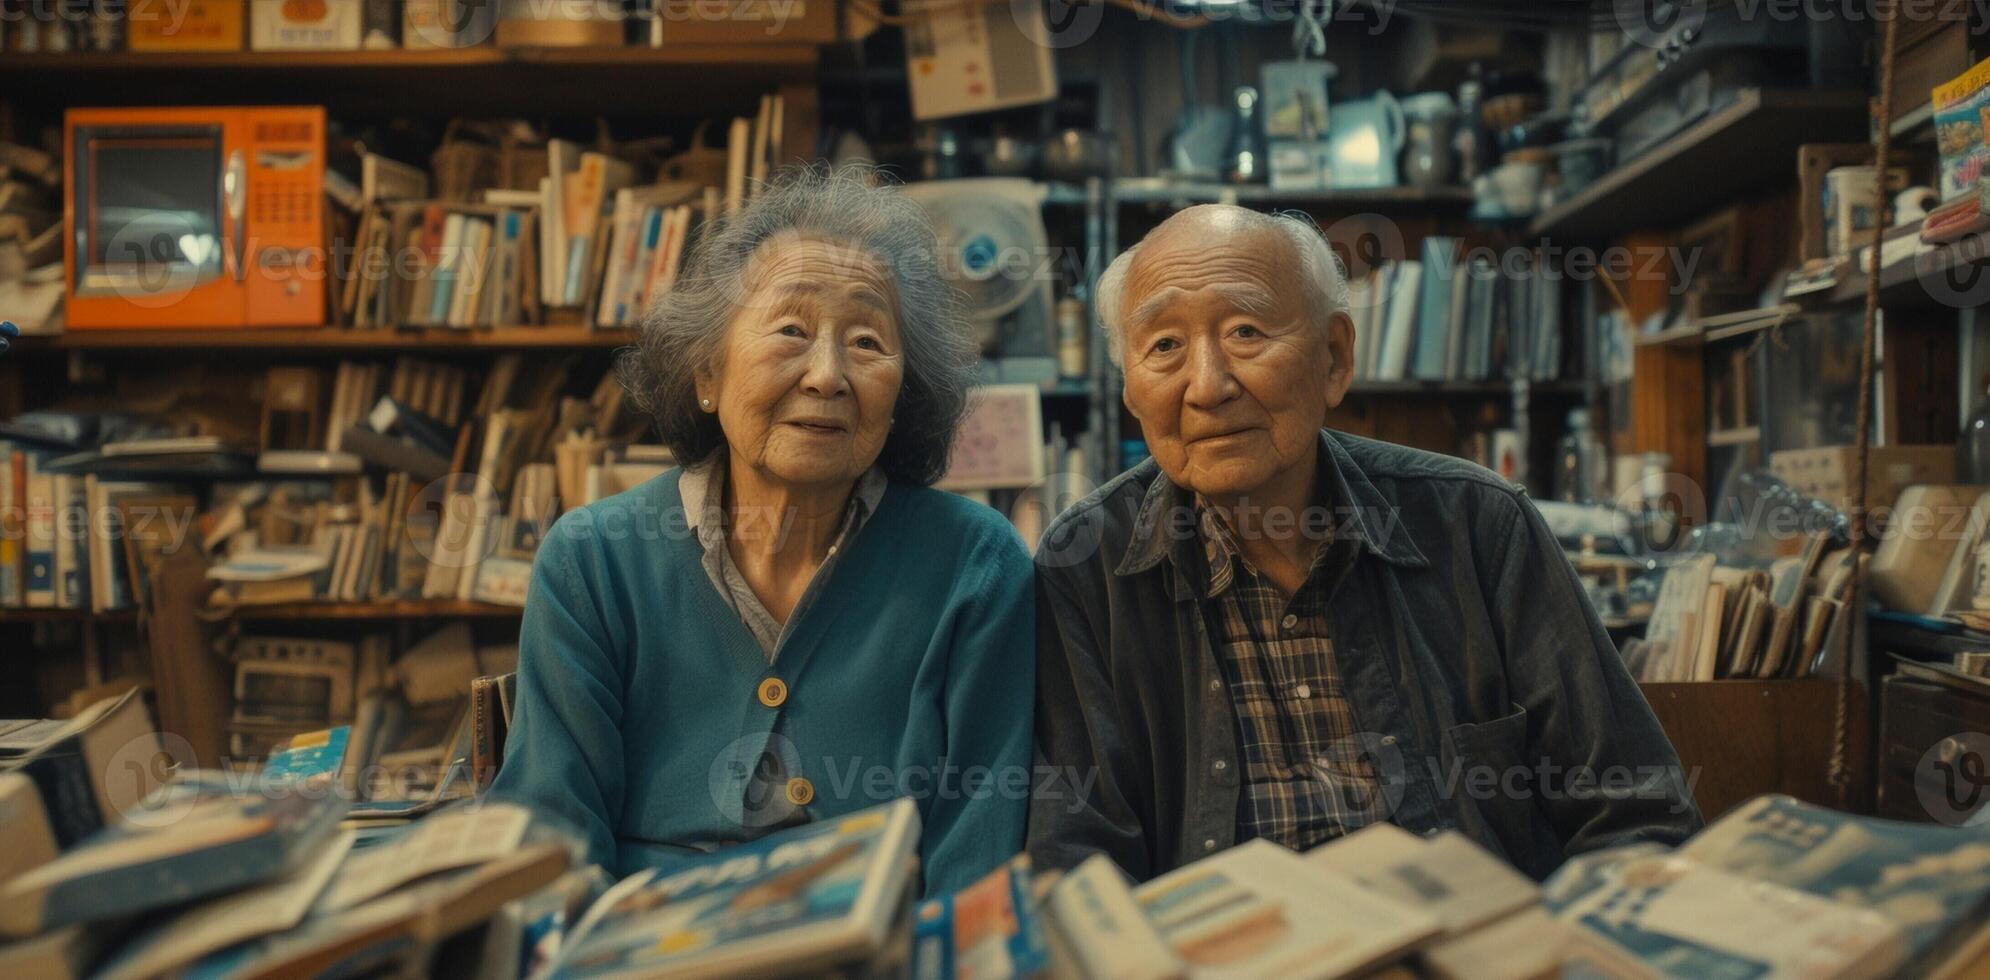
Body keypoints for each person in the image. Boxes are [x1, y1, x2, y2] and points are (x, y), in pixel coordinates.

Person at [1027, 205, 1700, 882]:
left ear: (1335, 357)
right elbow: (1081, 868)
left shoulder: (1478, 524)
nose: (1208, 386)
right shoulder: (1086, 567)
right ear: (1130, 391)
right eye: (1165, 346)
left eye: (1246, 331)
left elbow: (1635, 816)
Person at [493, 165, 1034, 897]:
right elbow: (550, 840)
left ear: (905, 394)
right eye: (791, 329)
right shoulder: (593, 559)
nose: (826, 375)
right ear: (707, 373)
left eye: (868, 342)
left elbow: (979, 859)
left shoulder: (975, 564)